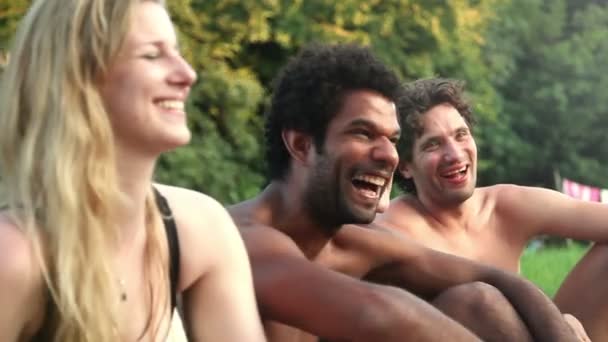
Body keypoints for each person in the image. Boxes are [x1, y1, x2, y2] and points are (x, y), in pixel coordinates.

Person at [229, 44, 578, 342]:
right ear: (302, 145)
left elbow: (498, 279)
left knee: (477, 301)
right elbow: (376, 312)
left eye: (392, 139)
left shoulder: (354, 243)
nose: (388, 155)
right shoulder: (241, 238)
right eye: (363, 133)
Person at [0, 1, 266, 341]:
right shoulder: (15, 257)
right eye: (152, 55)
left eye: (177, 51)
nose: (187, 74)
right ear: (80, 79)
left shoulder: (198, 229)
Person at [376, 77, 602, 340]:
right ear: (405, 165)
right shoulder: (390, 229)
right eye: (433, 144)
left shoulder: (506, 206)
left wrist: (565, 322)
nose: (455, 154)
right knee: (476, 300)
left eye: (461, 135)